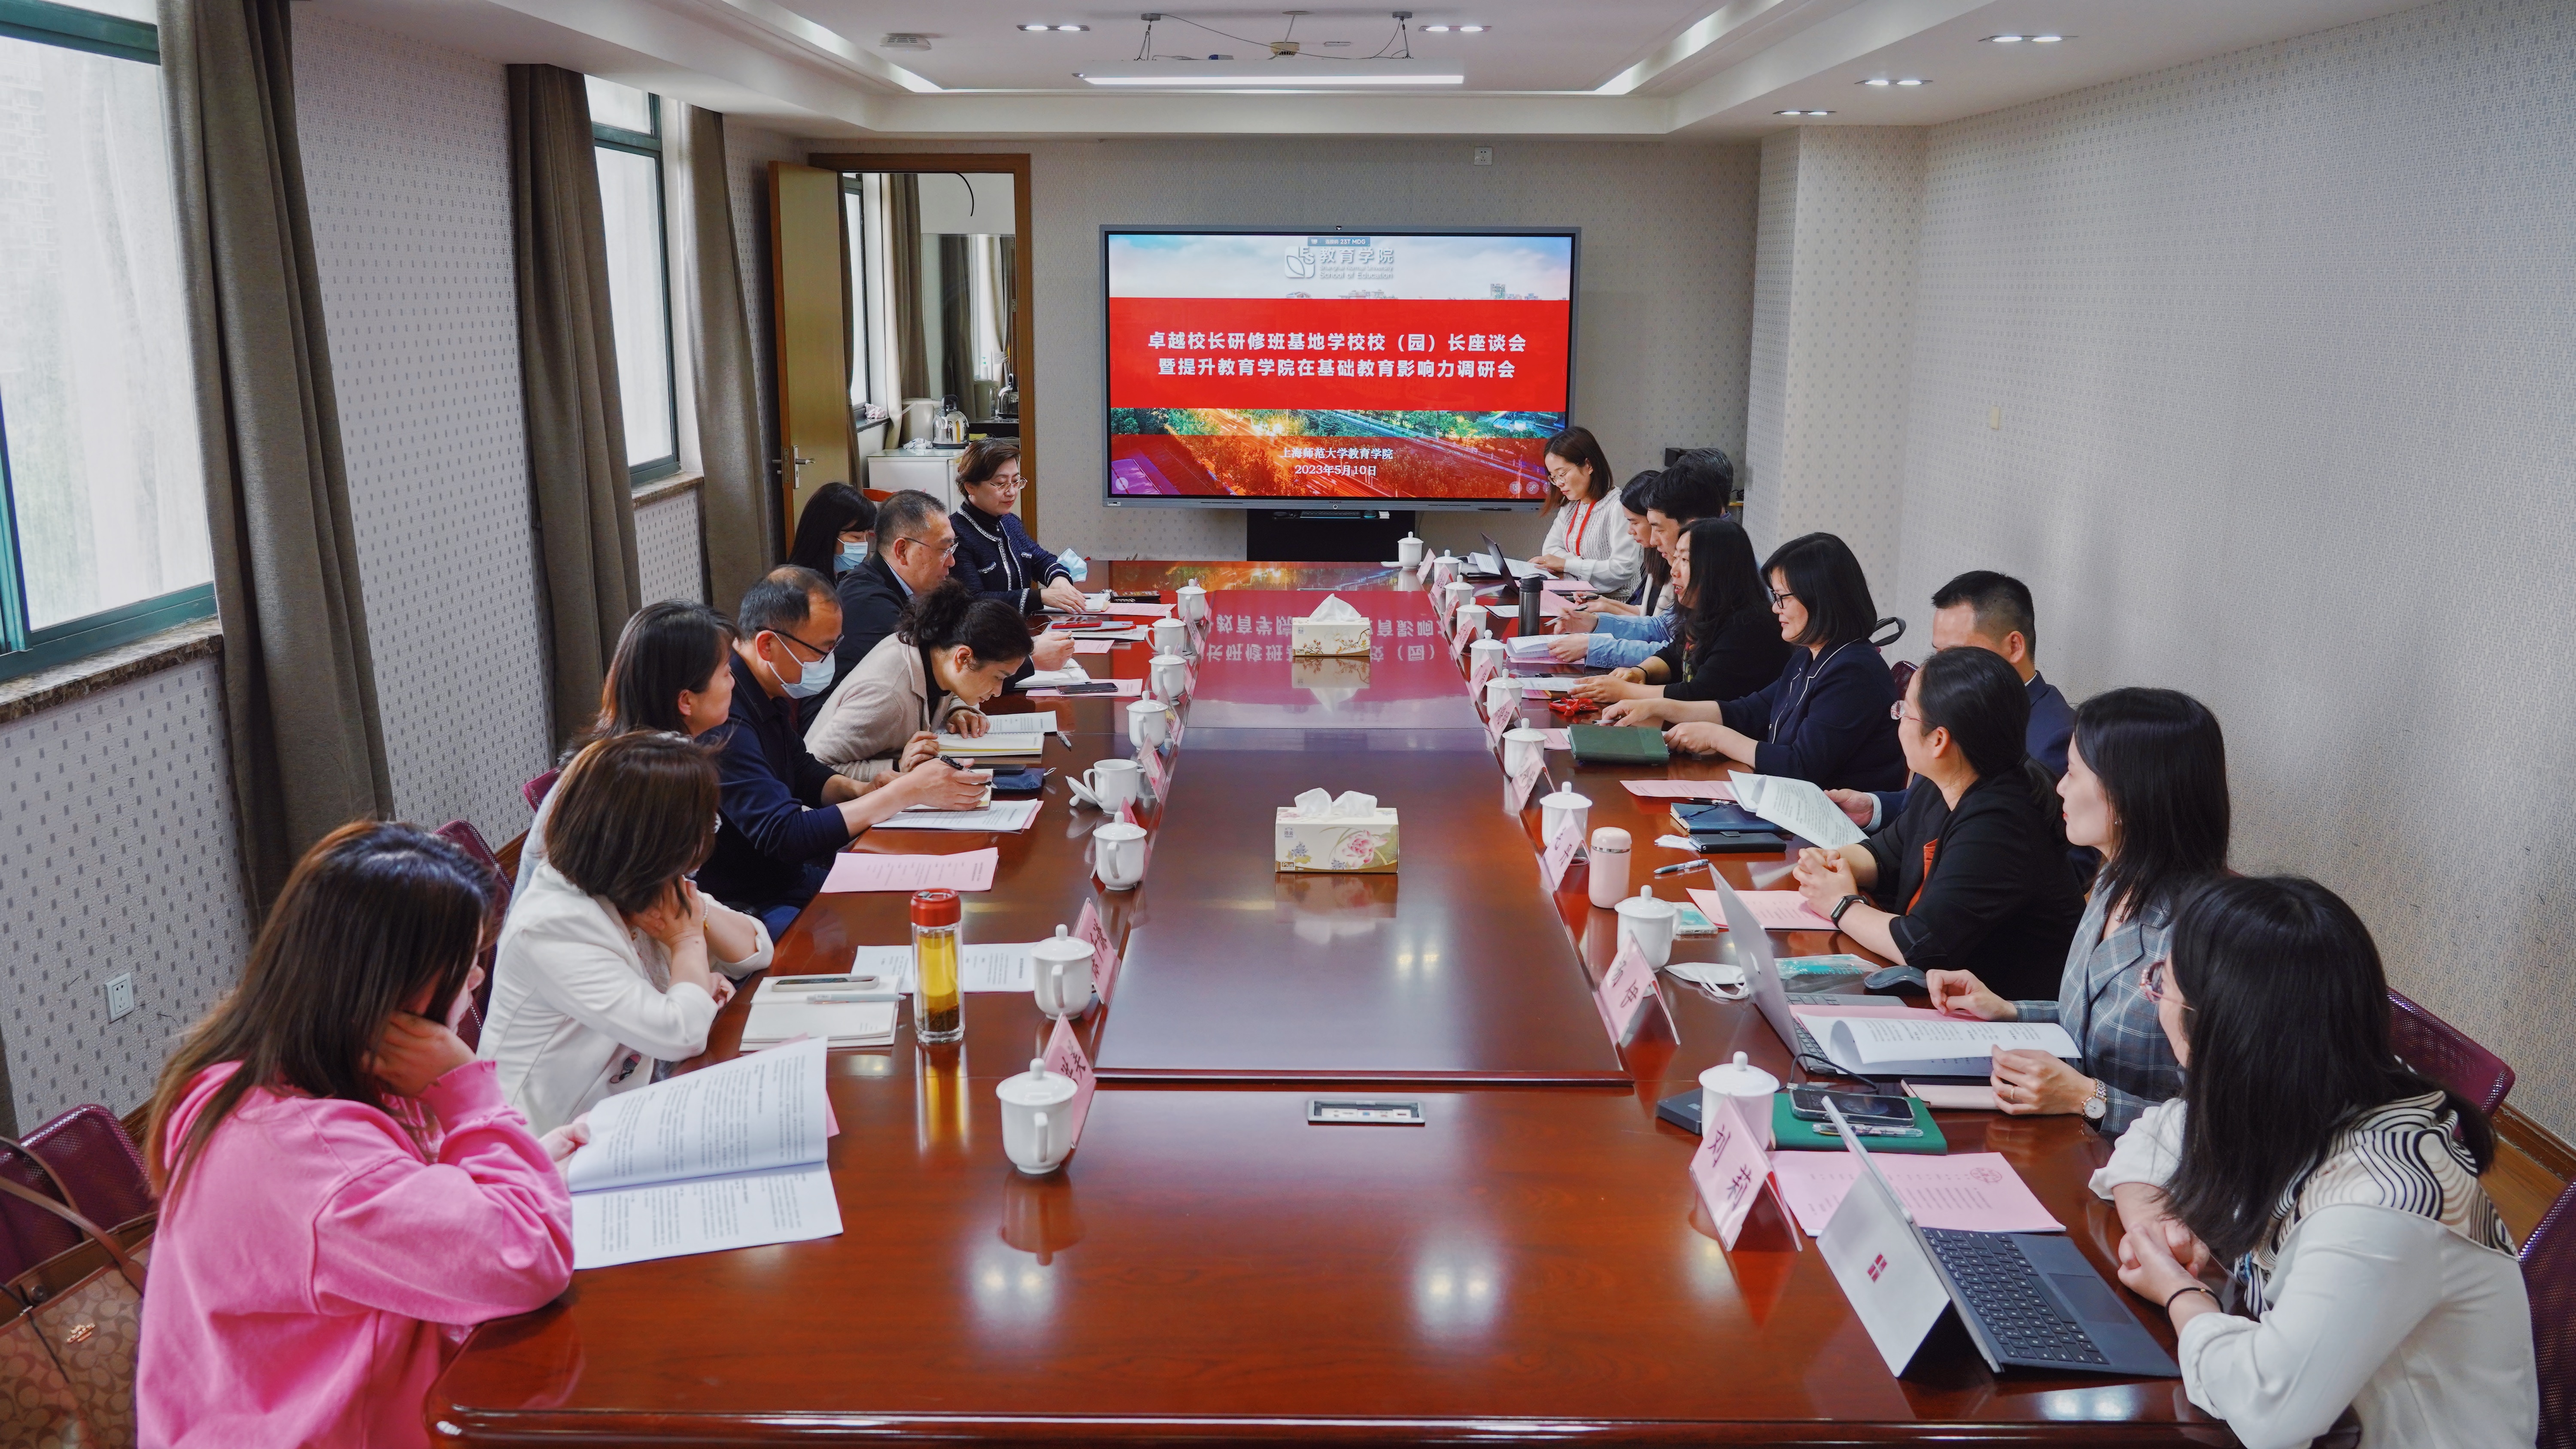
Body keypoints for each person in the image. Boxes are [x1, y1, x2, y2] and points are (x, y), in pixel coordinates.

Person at [138, 822, 577, 1449]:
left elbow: (404, 1205)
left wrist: (507, 1171)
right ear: (398, 989)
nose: (478, 980)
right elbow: (529, 1259)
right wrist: (466, 1091)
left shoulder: (248, 1080)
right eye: (466, 964)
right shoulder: (311, 1154)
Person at [2096, 876, 2533, 1449]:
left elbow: (2272, 1411)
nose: (2153, 1001)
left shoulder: (2383, 1201)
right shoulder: (2306, 1084)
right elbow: (2154, 1137)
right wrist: (2159, 1232)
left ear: (2223, 1030)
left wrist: (2181, 1292)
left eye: (2162, 985)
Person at [1925, 688, 2230, 1132]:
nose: (2060, 787)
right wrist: (2009, 1010)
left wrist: (2089, 1098)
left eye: (2072, 772)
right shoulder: (2113, 879)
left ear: (2127, 794)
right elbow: (2085, 1021)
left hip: (2133, 1164)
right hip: (2065, 1139)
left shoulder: (2207, 934)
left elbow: (2216, 1124)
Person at [482, 732, 773, 1135]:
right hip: (539, 1145)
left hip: (622, 1112)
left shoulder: (636, 882)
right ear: (650, 841)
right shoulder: (554, 923)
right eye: (702, 825)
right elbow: (681, 1034)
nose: (706, 838)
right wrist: (688, 944)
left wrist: (696, 915)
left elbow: (756, 950)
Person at [701, 567, 990, 934]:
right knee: (891, 923)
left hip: (787, 877)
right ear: (767, 646)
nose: (830, 660)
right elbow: (784, 834)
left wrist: (863, 789)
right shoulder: (724, 714)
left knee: (924, 898)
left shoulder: (766, 686)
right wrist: (904, 793)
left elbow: (803, 770)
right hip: (750, 900)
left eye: (835, 646)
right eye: (823, 649)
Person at [1788, 646, 2083, 998]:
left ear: (1939, 740)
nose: (1898, 720)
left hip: (2005, 1014)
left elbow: (1922, 946)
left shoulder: (2002, 824)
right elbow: (1884, 855)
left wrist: (1841, 905)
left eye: (1904, 712)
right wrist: (1830, 862)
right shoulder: (1943, 782)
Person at [1603, 530, 1905, 790]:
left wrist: (1717, 737)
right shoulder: (1810, 656)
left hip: (1828, 821)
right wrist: (1657, 707)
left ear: (1821, 599)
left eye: (1783, 598)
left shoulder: (1853, 673)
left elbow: (1801, 766)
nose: (1776, 609)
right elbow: (1749, 711)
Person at [517, 600, 738, 897]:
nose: (733, 682)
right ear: (686, 700)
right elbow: (657, 905)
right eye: (726, 672)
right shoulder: (651, 777)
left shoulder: (622, 755)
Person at [1833, 570, 2078, 833]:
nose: (1942, 666)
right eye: (1938, 653)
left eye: (1955, 653)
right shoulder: (1955, 703)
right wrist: (1875, 808)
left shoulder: (2055, 737)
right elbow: (1934, 801)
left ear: (2014, 647)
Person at [835, 489, 1070, 722]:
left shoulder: (917, 589)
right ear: (903, 551)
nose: (952, 561)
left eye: (952, 549)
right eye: (944, 550)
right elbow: (925, 678)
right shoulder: (869, 603)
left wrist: (957, 707)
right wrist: (1028, 658)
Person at [808, 581, 1032, 780]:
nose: (998, 691)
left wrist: (958, 708)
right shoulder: (886, 695)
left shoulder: (938, 653)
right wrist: (897, 768)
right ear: (964, 658)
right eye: (998, 677)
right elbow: (813, 768)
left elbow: (946, 687)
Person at [1569, 518, 1788, 707]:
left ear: (1717, 567)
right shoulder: (1709, 610)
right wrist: (1640, 672)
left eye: (1684, 560)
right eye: (1676, 559)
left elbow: (1700, 695)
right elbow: (1676, 654)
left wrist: (1626, 691)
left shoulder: (1749, 626)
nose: (1674, 570)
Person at [950, 440, 1088, 614]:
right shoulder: (956, 534)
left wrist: (1059, 579)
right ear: (970, 486)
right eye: (1001, 483)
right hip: (984, 629)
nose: (1012, 492)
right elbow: (973, 601)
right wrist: (1040, 597)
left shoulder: (1010, 522)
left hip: (1018, 625)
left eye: (1016, 481)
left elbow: (1040, 559)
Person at [1527, 426, 1640, 596]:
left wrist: (1566, 565)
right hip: (1578, 598)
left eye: (1562, 474)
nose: (1559, 483)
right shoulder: (1571, 504)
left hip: (1616, 604)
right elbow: (1550, 551)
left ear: (1589, 465)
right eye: (1553, 477)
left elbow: (1622, 569)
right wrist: (1580, 567)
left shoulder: (1618, 506)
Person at [785, 481, 877, 579]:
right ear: (827, 533)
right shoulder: (801, 583)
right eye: (857, 537)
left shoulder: (838, 576)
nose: (864, 544)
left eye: (866, 536)